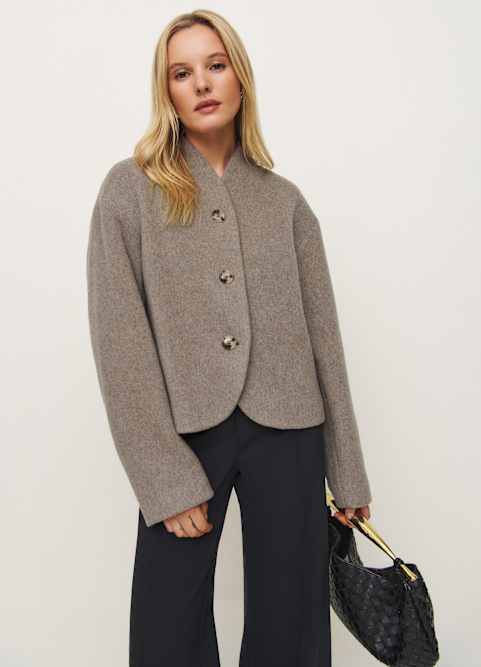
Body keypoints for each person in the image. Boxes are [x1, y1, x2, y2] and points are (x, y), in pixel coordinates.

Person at [86, 9, 373, 666]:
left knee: (292, 625)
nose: (201, 83)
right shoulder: (129, 192)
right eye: (181, 73)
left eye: (215, 65)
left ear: (240, 76)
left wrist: (348, 469)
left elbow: (325, 341)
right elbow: (119, 341)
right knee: (167, 627)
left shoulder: (286, 202)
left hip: (289, 430)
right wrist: (162, 476)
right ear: (166, 90)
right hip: (185, 434)